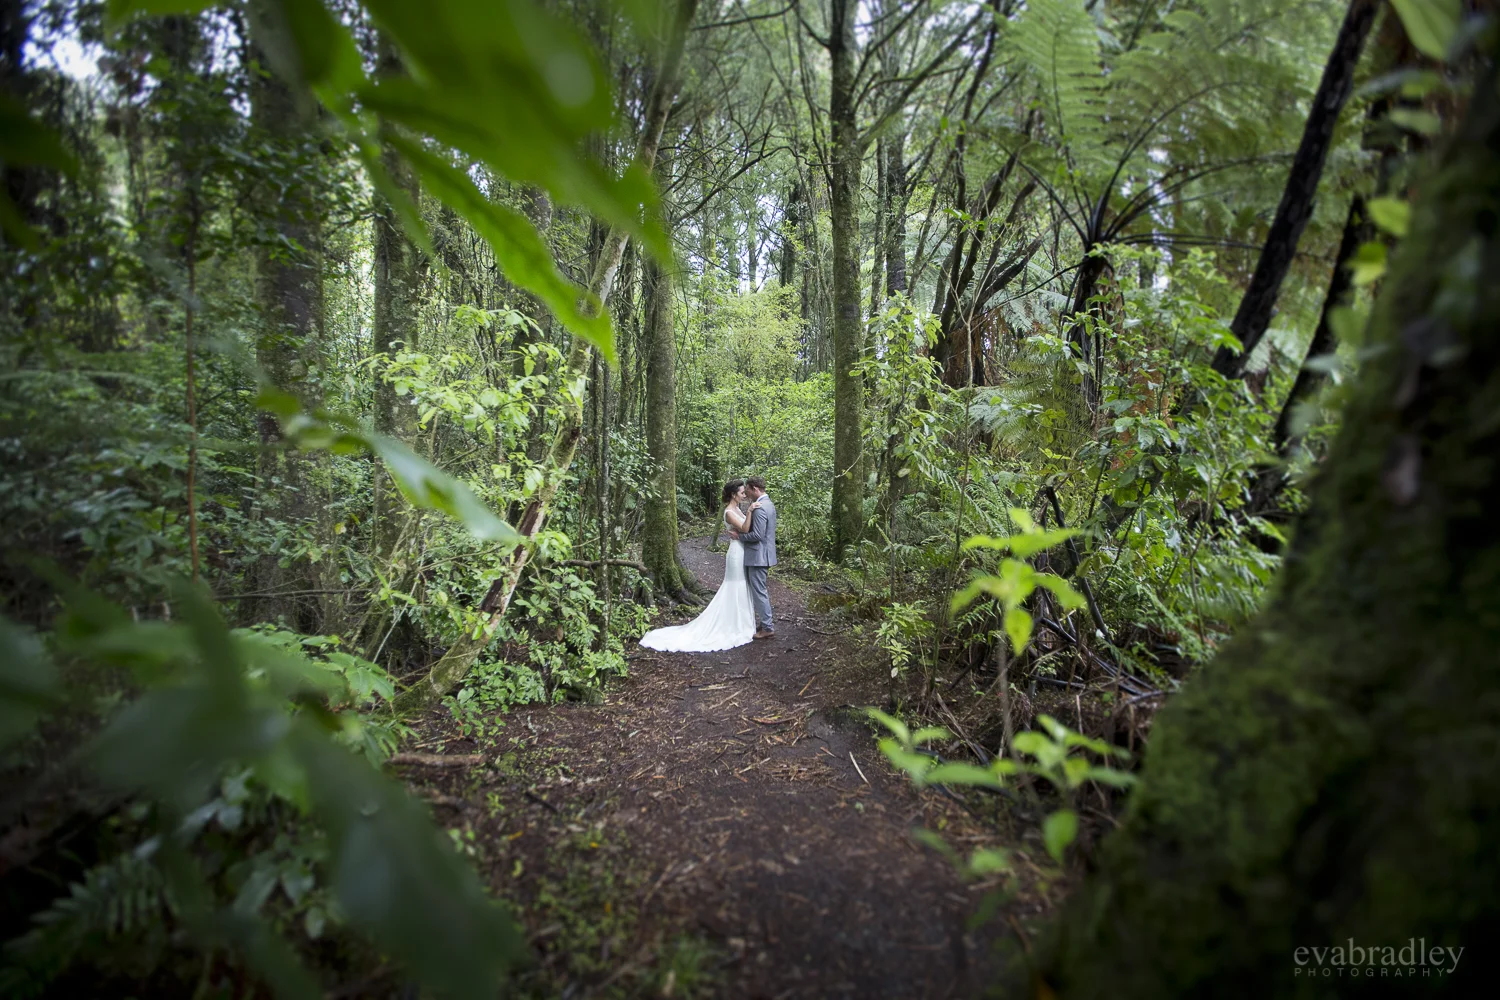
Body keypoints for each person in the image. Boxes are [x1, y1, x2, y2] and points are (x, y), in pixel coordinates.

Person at [638, 480, 756, 652]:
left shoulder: (738, 509)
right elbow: (745, 529)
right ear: (733, 494)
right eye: (742, 492)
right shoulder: (729, 512)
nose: (744, 494)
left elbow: (748, 528)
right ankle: (732, 625)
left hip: (743, 550)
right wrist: (751, 511)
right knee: (735, 585)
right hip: (736, 553)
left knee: (742, 585)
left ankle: (741, 623)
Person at [733, 476, 777, 640]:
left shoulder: (759, 508)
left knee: (759, 591)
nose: (748, 494)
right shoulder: (769, 504)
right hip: (765, 554)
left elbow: (758, 535)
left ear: (755, 488)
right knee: (759, 590)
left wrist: (739, 537)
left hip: (758, 555)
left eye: (749, 490)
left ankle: (767, 627)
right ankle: (765, 622)